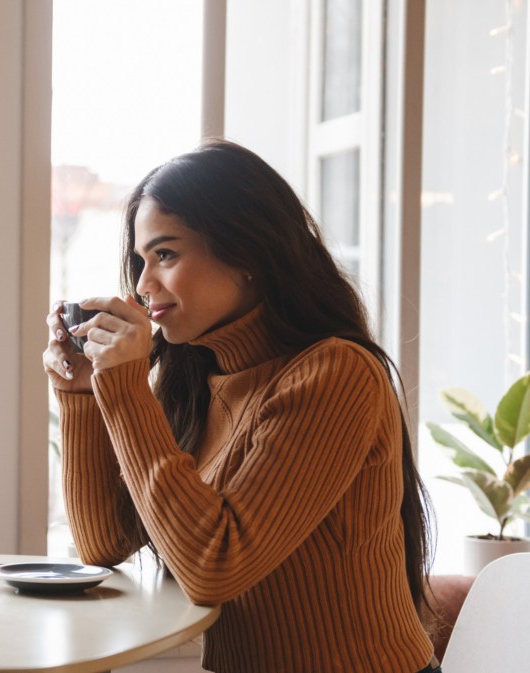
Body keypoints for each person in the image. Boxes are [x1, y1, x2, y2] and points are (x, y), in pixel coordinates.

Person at [42, 139, 438, 673]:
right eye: (141, 260)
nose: (142, 285)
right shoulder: (200, 379)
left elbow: (215, 566)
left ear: (248, 253)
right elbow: (103, 542)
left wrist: (128, 389)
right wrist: (84, 394)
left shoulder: (336, 374)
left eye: (166, 254)